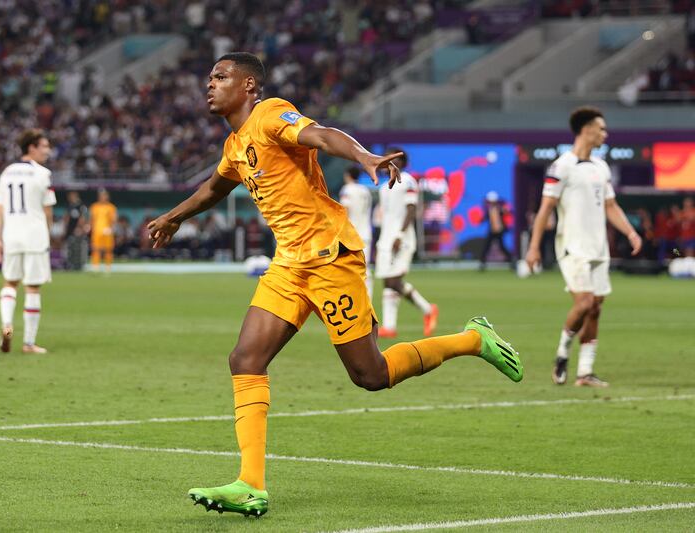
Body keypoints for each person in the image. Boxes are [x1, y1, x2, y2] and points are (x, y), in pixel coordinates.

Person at [147, 52, 523, 518]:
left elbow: (320, 134)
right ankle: (250, 484)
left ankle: (472, 339)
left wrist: (364, 156)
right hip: (289, 265)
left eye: (220, 77)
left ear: (247, 86)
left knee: (371, 376)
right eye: (209, 77)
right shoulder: (234, 146)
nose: (210, 84)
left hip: (330, 258)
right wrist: (172, 217)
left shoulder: (269, 114)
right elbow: (213, 189)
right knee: (245, 358)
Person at [526, 107, 641, 388]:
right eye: (601, 129)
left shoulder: (601, 167)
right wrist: (534, 247)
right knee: (585, 303)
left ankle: (585, 373)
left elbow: (611, 206)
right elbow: (545, 210)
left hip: (598, 248)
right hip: (572, 247)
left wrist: (630, 232)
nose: (605, 133)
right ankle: (562, 354)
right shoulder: (561, 166)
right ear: (586, 130)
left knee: (596, 309)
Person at [0, 129, 57, 354]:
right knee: (32, 287)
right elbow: (48, 212)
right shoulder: (43, 174)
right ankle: (28, 343)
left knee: (9, 283)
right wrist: (47, 233)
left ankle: (7, 325)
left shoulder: (7, 173)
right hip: (35, 235)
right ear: (32, 147)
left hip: (11, 235)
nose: (48, 151)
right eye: (44, 146)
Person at [375, 147, 438, 338]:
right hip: (386, 239)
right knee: (387, 281)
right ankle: (389, 327)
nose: (387, 161)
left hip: (401, 239)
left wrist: (400, 235)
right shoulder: (384, 187)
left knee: (394, 281)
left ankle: (428, 310)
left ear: (401, 162)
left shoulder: (407, 180)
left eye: (391, 158)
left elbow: (411, 209)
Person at [339, 165, 373, 299]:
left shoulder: (347, 189)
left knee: (348, 268)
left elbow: (345, 210)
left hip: (352, 234)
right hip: (366, 232)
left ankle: (353, 298)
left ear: (348, 175)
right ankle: (367, 299)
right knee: (366, 267)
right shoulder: (365, 190)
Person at [479, 190, 514, 271]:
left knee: (502, 247)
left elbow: (508, 212)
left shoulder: (500, 208)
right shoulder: (489, 209)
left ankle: (512, 261)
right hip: (492, 231)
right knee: (486, 247)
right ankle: (482, 263)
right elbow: (485, 217)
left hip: (499, 231)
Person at [89, 188, 117, 272]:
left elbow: (114, 220)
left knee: (108, 249)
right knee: (96, 249)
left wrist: (111, 229)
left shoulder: (111, 207)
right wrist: (91, 228)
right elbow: (91, 219)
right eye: (101, 196)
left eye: (104, 195)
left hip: (107, 231)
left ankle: (108, 266)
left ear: (107, 197)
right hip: (97, 231)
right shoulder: (94, 207)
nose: (103, 197)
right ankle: (95, 266)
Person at [64, 191, 88, 270]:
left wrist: (79, 228)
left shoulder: (81, 206)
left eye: (71, 196)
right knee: (70, 249)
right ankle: (71, 265)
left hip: (77, 231)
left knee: (78, 248)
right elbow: (67, 218)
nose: (69, 198)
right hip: (70, 231)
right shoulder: (70, 206)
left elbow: (82, 218)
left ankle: (79, 265)